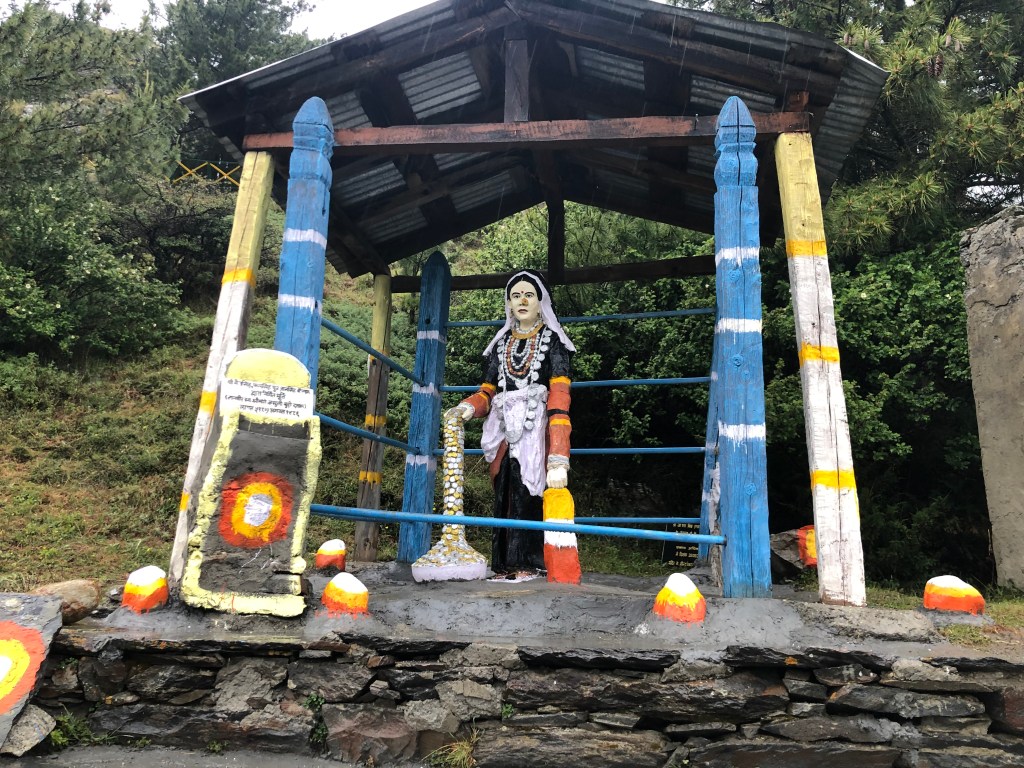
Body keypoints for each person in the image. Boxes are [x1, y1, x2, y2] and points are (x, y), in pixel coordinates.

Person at [447, 270, 575, 578]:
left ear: (540, 300)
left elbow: (559, 398)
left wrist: (558, 457)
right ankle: (503, 564)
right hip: (503, 431)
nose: (522, 301)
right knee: (504, 490)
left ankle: (529, 563)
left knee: (529, 492)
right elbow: (487, 391)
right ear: (508, 302)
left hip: (536, 430)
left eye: (528, 295)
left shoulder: (554, 342)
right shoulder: (501, 343)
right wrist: (467, 408)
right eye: (515, 295)